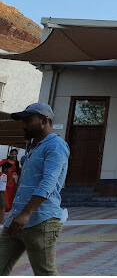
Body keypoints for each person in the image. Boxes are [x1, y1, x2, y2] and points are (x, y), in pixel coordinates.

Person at [0, 103, 70, 275]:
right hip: (16, 220)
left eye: (29, 120)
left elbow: (49, 182)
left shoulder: (56, 145)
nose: (24, 125)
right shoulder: (35, 147)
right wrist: (19, 214)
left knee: (44, 273)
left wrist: (26, 213)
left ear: (44, 120)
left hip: (41, 221)